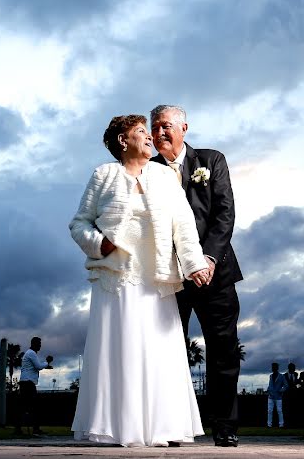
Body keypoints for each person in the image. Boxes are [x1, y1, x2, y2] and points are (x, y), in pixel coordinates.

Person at [69, 114, 210, 447]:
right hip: (116, 279)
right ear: (123, 140)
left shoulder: (163, 176)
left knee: (158, 351)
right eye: (141, 133)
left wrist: (193, 264)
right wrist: (100, 244)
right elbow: (79, 224)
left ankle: (163, 428)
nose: (150, 138)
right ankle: (118, 428)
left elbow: (184, 225)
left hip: (157, 277)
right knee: (120, 348)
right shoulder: (103, 175)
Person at [150, 105, 243, 448]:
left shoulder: (212, 160)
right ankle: (171, 426)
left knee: (223, 350)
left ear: (184, 128)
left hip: (214, 274)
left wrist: (207, 259)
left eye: (166, 126)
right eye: (154, 127)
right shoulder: (147, 169)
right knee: (165, 350)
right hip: (170, 277)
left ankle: (225, 425)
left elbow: (224, 213)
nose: (159, 132)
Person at [14, 336, 53, 436]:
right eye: (39, 344)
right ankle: (34, 429)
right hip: (28, 384)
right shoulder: (31, 353)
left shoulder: (30, 353)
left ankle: (20, 429)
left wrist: (46, 365)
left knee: (26, 407)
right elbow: (38, 366)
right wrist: (46, 362)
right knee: (33, 407)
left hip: (26, 383)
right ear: (34, 344)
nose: (40, 346)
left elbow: (35, 366)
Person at [266, 363, 287, 428]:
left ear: (277, 368)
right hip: (270, 396)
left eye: (274, 367)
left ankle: (281, 424)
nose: (273, 368)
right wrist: (268, 390)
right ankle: (269, 424)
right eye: (272, 367)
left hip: (278, 397)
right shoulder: (271, 376)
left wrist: (281, 391)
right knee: (269, 411)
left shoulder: (281, 376)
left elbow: (286, 385)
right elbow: (270, 385)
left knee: (279, 410)